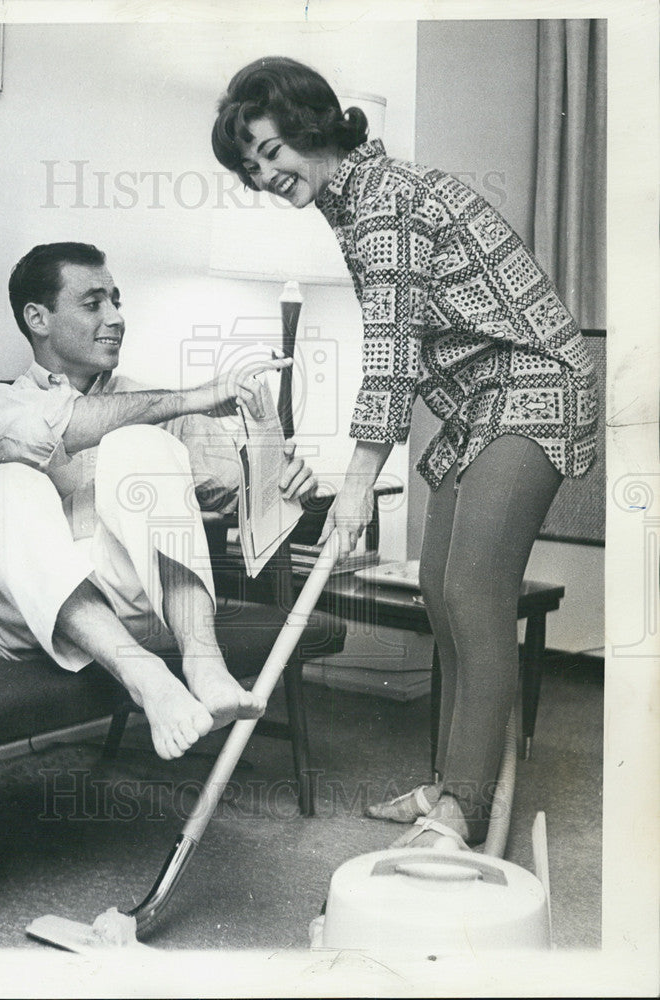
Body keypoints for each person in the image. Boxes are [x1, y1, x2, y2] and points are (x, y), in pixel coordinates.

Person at [212, 57, 598, 848]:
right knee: (439, 587)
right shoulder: (353, 202)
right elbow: (408, 343)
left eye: (270, 151)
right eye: (251, 168)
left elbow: (389, 349)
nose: (265, 175)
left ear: (308, 123)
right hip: (476, 399)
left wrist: (358, 485)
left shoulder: (384, 200)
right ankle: (451, 785)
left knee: (475, 590)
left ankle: (464, 804)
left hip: (534, 381)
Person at [0, 241, 316, 762]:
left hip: (140, 606)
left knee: (141, 442)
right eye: (93, 303)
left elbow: (253, 507)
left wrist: (285, 481)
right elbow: (55, 430)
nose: (116, 318)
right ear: (38, 318)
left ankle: (202, 663)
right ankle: (147, 677)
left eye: (117, 301)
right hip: (29, 623)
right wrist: (189, 398)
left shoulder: (159, 407)